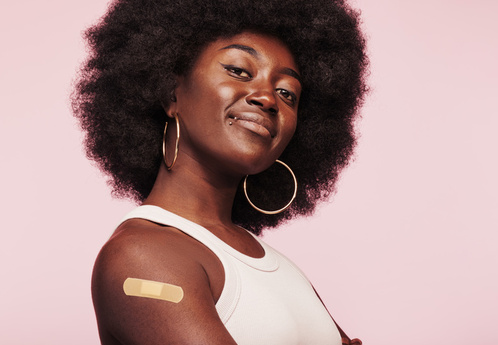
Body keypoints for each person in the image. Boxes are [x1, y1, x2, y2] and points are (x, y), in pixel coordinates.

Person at [72, 0, 368, 344]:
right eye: (240, 71)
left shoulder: (279, 267)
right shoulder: (142, 256)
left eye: (287, 93)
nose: (269, 99)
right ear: (171, 93)